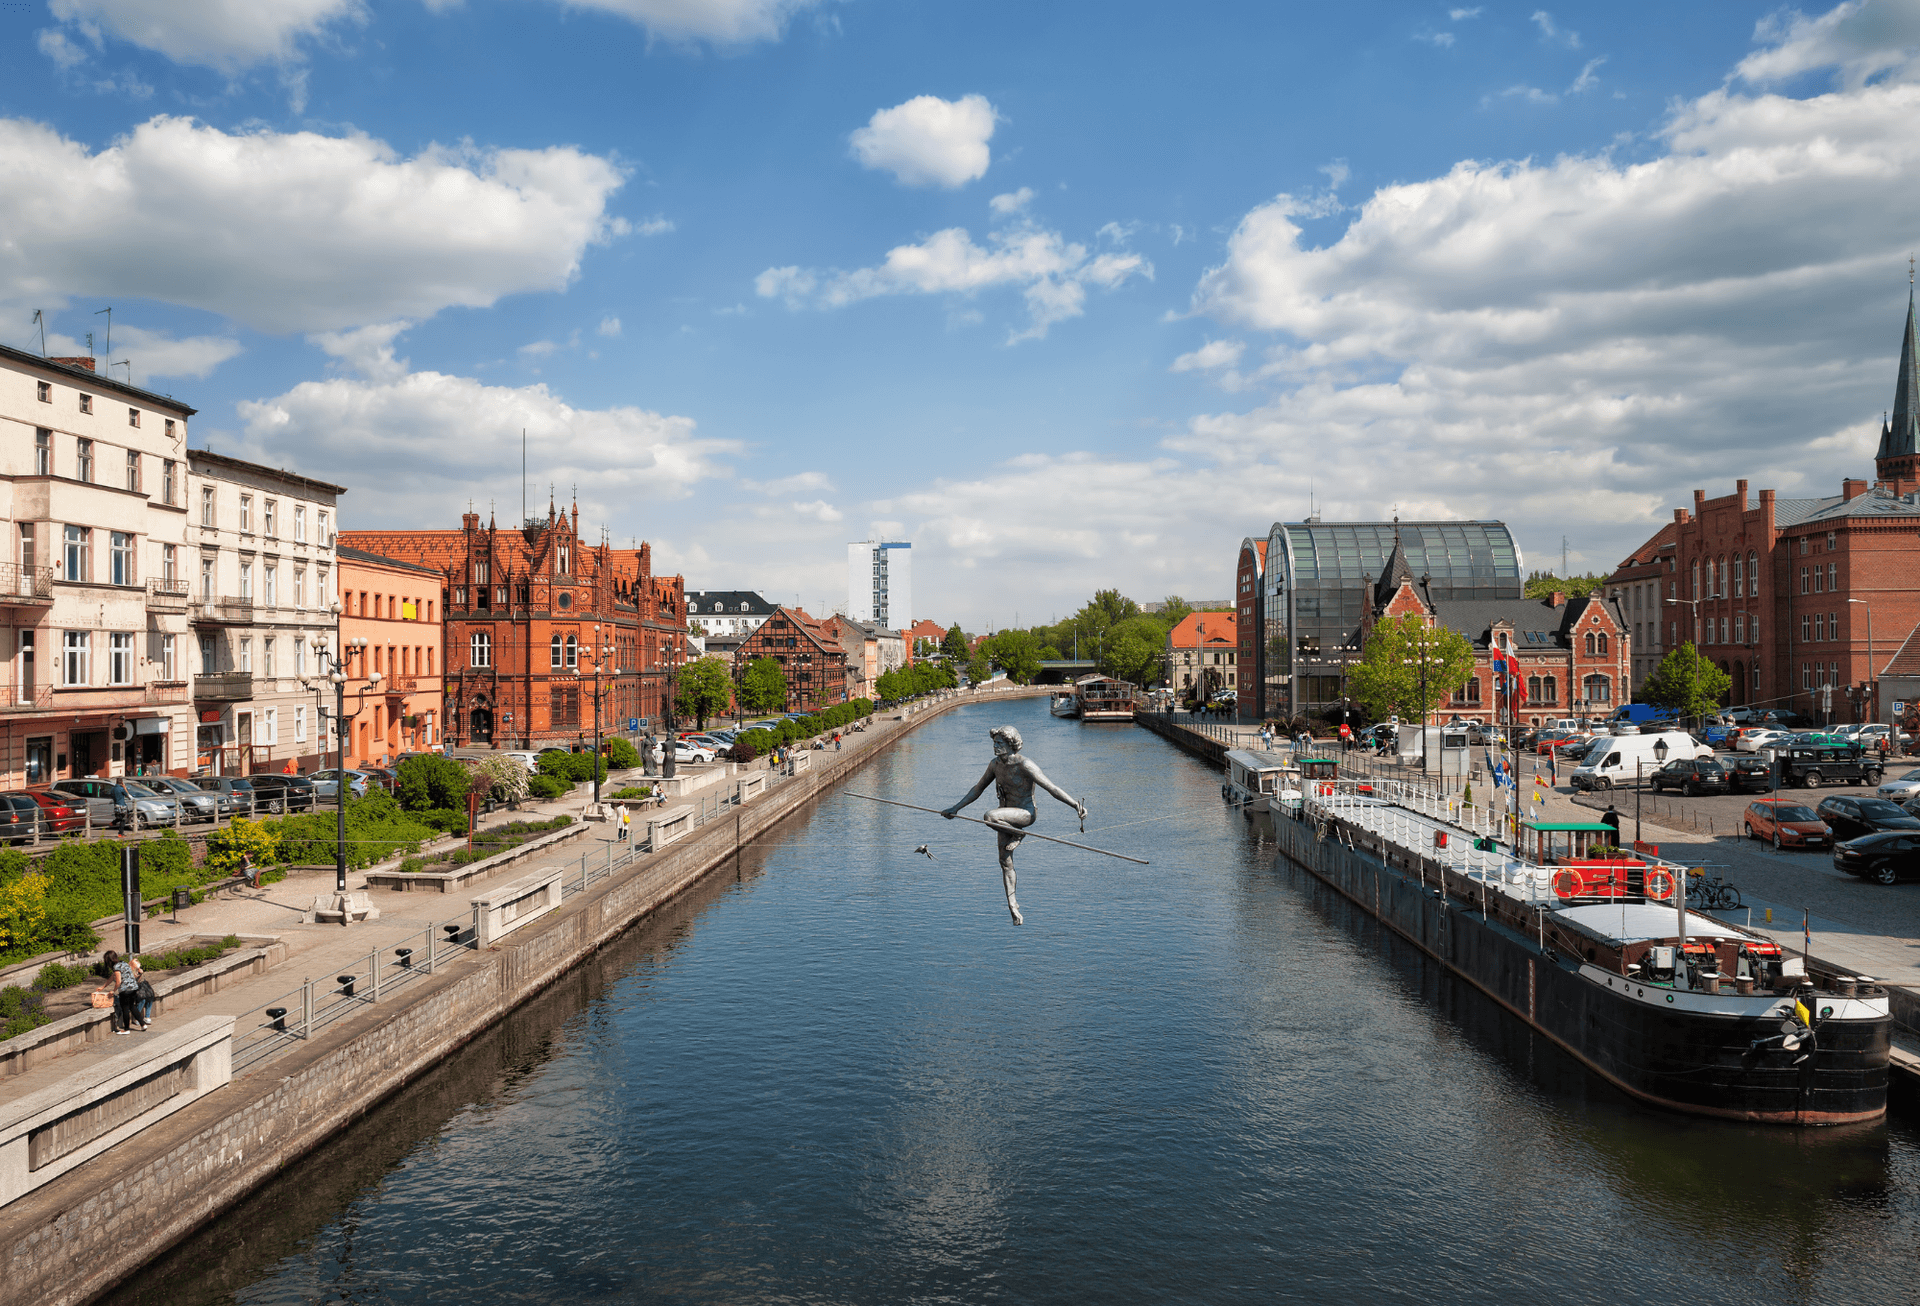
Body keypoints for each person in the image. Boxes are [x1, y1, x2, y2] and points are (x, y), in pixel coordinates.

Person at [942, 724, 1087, 926]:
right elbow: (977, 789)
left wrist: (1075, 805)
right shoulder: (995, 765)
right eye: (994, 743)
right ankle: (1013, 906)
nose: (995, 746)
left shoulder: (1025, 764)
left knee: (989, 816)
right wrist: (956, 808)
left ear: (1011, 744)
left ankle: (1019, 834)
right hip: (1005, 818)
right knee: (1004, 861)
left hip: (1025, 814)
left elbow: (1051, 787)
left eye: (999, 743)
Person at [96, 950, 144, 1033]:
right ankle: (143, 1025)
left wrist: (113, 991)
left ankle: (126, 1029)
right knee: (132, 1007)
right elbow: (112, 977)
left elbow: (118, 981)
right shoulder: (123, 963)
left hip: (125, 990)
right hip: (133, 988)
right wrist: (103, 987)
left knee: (125, 1009)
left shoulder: (116, 967)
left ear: (109, 960)